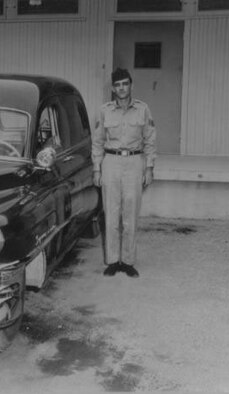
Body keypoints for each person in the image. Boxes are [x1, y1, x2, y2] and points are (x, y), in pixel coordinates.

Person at [92, 68, 156, 278]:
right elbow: (98, 142)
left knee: (130, 215)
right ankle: (112, 261)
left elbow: (150, 140)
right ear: (113, 88)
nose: (121, 88)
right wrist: (97, 169)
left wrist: (149, 168)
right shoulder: (105, 111)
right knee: (111, 214)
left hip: (134, 163)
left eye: (125, 84)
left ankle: (128, 261)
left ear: (131, 85)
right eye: (117, 85)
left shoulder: (142, 109)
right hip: (111, 163)